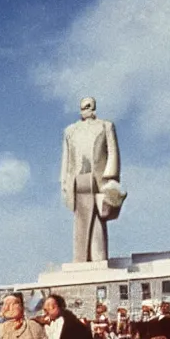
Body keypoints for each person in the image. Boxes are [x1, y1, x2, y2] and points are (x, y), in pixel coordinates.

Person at [60, 96, 125, 262]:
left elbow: (113, 152)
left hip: (99, 179)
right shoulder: (70, 131)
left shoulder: (106, 126)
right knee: (81, 219)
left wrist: (111, 178)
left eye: (89, 106)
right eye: (83, 107)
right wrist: (65, 182)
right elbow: (66, 158)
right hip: (77, 179)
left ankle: (98, 258)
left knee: (97, 218)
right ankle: (82, 259)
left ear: (94, 107)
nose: (86, 109)